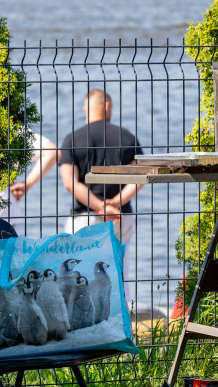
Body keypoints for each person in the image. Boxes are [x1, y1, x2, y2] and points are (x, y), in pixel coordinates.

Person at [58, 89, 143, 305]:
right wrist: (116, 202)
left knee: (76, 272)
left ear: (86, 108)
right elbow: (140, 177)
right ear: (107, 107)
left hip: (84, 216)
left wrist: (99, 205)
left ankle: (78, 322)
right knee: (120, 270)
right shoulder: (127, 137)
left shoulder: (72, 139)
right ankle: (123, 321)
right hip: (120, 217)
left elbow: (70, 182)